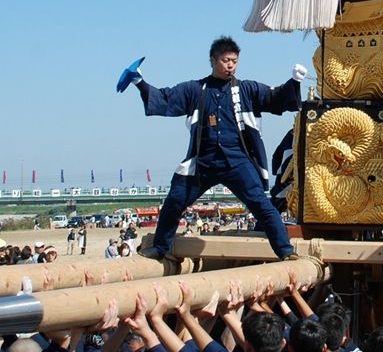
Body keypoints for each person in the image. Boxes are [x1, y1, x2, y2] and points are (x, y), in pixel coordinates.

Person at [123, 36, 305, 260]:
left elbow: (273, 97)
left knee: (262, 205)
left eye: (235, 61)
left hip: (237, 161)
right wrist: (139, 82)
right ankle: (161, 248)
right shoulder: (195, 89)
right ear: (213, 60)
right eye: (226, 60)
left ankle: (285, 251)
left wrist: (294, 82)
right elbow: (165, 98)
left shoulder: (246, 89)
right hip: (203, 162)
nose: (231, 65)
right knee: (174, 201)